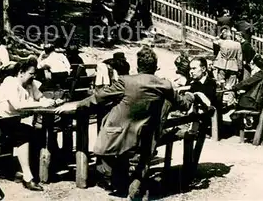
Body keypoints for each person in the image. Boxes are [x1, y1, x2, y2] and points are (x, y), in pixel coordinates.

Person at [54, 47, 195, 194]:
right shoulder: (164, 84)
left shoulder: (126, 82)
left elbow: (98, 97)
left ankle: (123, 181)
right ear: (155, 67)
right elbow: (184, 104)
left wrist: (76, 104)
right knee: (118, 166)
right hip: (146, 137)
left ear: (137, 66)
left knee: (102, 167)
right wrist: (191, 96)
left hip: (118, 137)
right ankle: (132, 180)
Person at [0, 57, 56, 191]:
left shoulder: (30, 83)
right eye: (31, 73)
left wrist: (48, 101)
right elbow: (18, 105)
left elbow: (40, 97)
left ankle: (35, 170)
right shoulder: (10, 83)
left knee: (36, 133)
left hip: (12, 118)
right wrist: (40, 104)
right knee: (24, 134)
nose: (34, 76)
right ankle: (27, 177)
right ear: (21, 72)